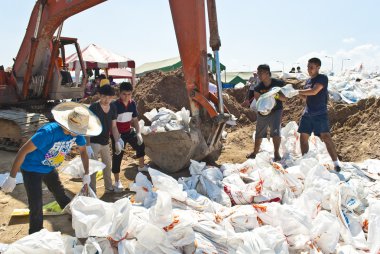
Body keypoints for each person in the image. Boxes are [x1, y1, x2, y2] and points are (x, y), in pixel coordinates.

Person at [1, 102, 102, 234]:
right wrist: (12, 177)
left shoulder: (77, 134)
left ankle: (74, 215)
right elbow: (22, 151)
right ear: (68, 125)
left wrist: (87, 173)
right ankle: (36, 233)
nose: (79, 134)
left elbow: (82, 152)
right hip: (32, 168)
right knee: (36, 203)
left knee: (60, 194)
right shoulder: (48, 133)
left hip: (49, 168)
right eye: (77, 131)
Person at [297, 57, 342, 173]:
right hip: (307, 113)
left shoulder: (322, 78)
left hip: (320, 114)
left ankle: (336, 163)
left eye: (311, 67)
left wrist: (298, 91)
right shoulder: (307, 81)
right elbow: (306, 96)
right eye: (308, 67)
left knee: (326, 137)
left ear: (318, 67)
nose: (309, 69)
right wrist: (294, 93)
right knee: (303, 138)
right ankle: (306, 162)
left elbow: (314, 91)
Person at [111, 82, 148, 191]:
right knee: (117, 155)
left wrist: (138, 133)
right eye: (124, 94)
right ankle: (117, 181)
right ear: (119, 94)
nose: (126, 96)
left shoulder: (132, 104)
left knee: (140, 145)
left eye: (129, 94)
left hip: (128, 131)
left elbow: (135, 120)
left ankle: (141, 166)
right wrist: (117, 140)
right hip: (117, 134)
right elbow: (113, 125)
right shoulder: (115, 105)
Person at [246, 64, 286, 161]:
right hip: (263, 112)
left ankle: (276, 153)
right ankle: (255, 152)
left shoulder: (279, 84)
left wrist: (274, 95)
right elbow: (258, 101)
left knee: (275, 131)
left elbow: (284, 98)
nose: (258, 75)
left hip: (276, 110)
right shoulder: (258, 87)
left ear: (267, 73)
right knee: (259, 132)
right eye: (258, 72)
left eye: (260, 72)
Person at [87, 85, 120, 193]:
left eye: (109, 97)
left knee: (107, 165)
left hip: (106, 142)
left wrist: (117, 141)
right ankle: (92, 191)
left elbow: (114, 126)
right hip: (94, 142)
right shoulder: (93, 108)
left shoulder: (113, 107)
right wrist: (87, 145)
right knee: (93, 168)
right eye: (104, 97)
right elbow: (86, 127)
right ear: (99, 96)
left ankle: (109, 187)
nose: (106, 100)